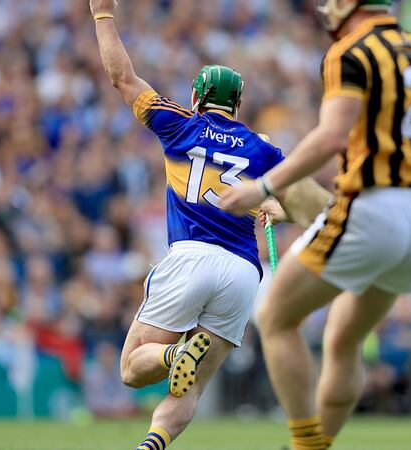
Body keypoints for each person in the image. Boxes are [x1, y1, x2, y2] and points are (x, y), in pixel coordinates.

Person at [220, 1, 411, 449]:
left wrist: (262, 188)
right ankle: (322, 442)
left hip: (370, 211)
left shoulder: (349, 50)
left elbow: (332, 135)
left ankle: (304, 445)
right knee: (343, 338)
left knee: (275, 318)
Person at [88, 1, 285, 449]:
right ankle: (153, 443)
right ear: (238, 105)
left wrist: (103, 15)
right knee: (191, 384)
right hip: (242, 274)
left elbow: (122, 76)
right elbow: (293, 203)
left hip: (191, 257)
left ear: (197, 98)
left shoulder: (180, 125)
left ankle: (175, 353)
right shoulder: (263, 150)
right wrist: (273, 204)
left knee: (133, 366)